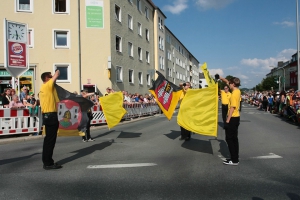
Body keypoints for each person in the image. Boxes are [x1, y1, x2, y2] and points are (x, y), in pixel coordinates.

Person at [39, 70, 62, 170]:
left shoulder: (44, 88)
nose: (53, 77)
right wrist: (56, 71)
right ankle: (48, 163)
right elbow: (57, 74)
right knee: (50, 140)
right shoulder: (47, 86)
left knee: (49, 140)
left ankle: (48, 161)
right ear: (47, 79)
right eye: (50, 76)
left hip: (48, 115)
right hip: (51, 115)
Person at [219, 76, 241, 166]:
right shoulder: (237, 91)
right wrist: (221, 78)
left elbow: (232, 107)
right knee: (234, 138)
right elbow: (226, 81)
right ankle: (234, 157)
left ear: (233, 84)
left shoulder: (234, 94)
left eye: (230, 83)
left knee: (229, 139)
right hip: (236, 117)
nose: (229, 84)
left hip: (232, 118)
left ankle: (234, 160)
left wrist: (227, 120)